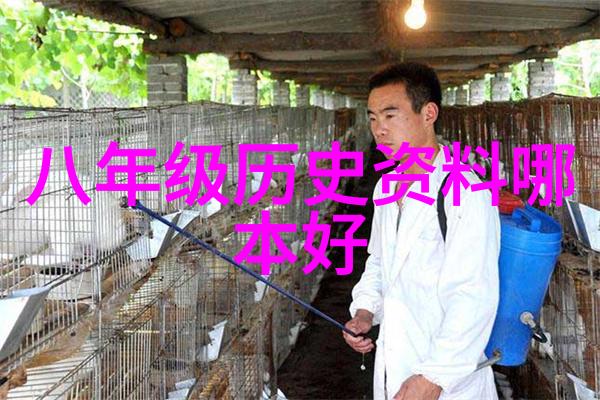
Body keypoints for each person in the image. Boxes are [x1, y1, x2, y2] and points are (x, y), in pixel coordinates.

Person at [343, 62, 500, 400]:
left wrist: (434, 377)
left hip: (447, 380)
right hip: (397, 365)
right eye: (373, 118)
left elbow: (473, 295)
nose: (379, 129)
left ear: (428, 113)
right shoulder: (387, 186)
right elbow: (379, 261)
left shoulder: (465, 191)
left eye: (391, 115)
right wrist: (365, 311)